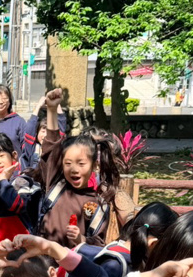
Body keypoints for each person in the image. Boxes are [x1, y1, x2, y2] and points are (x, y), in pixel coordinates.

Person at [35, 89, 134, 247]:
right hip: (42, 257)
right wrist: (52, 110)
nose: (74, 169)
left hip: (71, 261)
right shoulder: (56, 184)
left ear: (95, 165)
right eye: (68, 163)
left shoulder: (98, 203)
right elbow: (51, 144)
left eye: (81, 164)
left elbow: (97, 242)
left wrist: (81, 239)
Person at [0, 84, 26, 155]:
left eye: (4, 98)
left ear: (9, 102)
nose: (0, 102)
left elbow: (27, 148)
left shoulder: (18, 122)